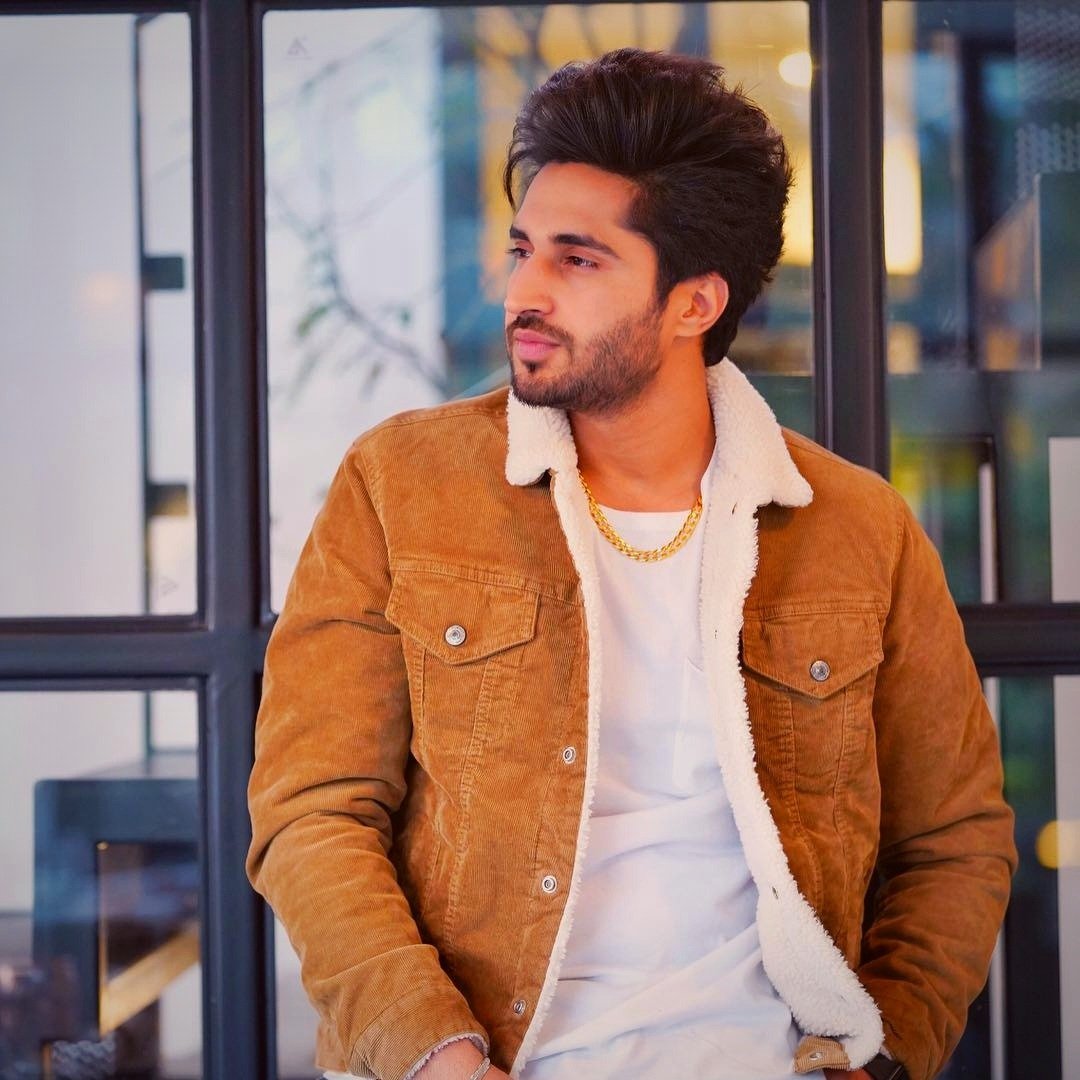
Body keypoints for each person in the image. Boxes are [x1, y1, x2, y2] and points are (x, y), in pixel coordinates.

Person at [247, 48, 1015, 1080]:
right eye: (523, 249)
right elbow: (312, 812)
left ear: (694, 304)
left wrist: (882, 1058)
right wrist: (438, 1057)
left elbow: (954, 840)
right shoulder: (400, 487)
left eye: (578, 261)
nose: (523, 291)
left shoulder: (858, 529)